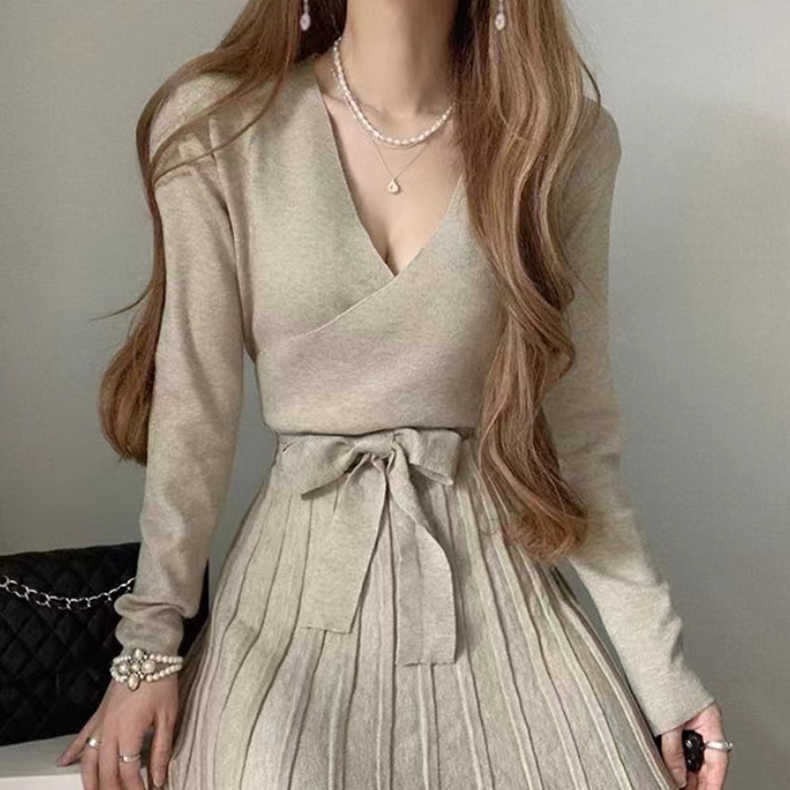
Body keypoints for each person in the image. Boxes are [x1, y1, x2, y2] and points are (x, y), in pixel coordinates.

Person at [57, 1, 733, 788]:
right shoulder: (220, 126)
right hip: (294, 607)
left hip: (495, 600)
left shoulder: (561, 142)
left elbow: (579, 443)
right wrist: (148, 651)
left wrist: (663, 674)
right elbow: (194, 414)